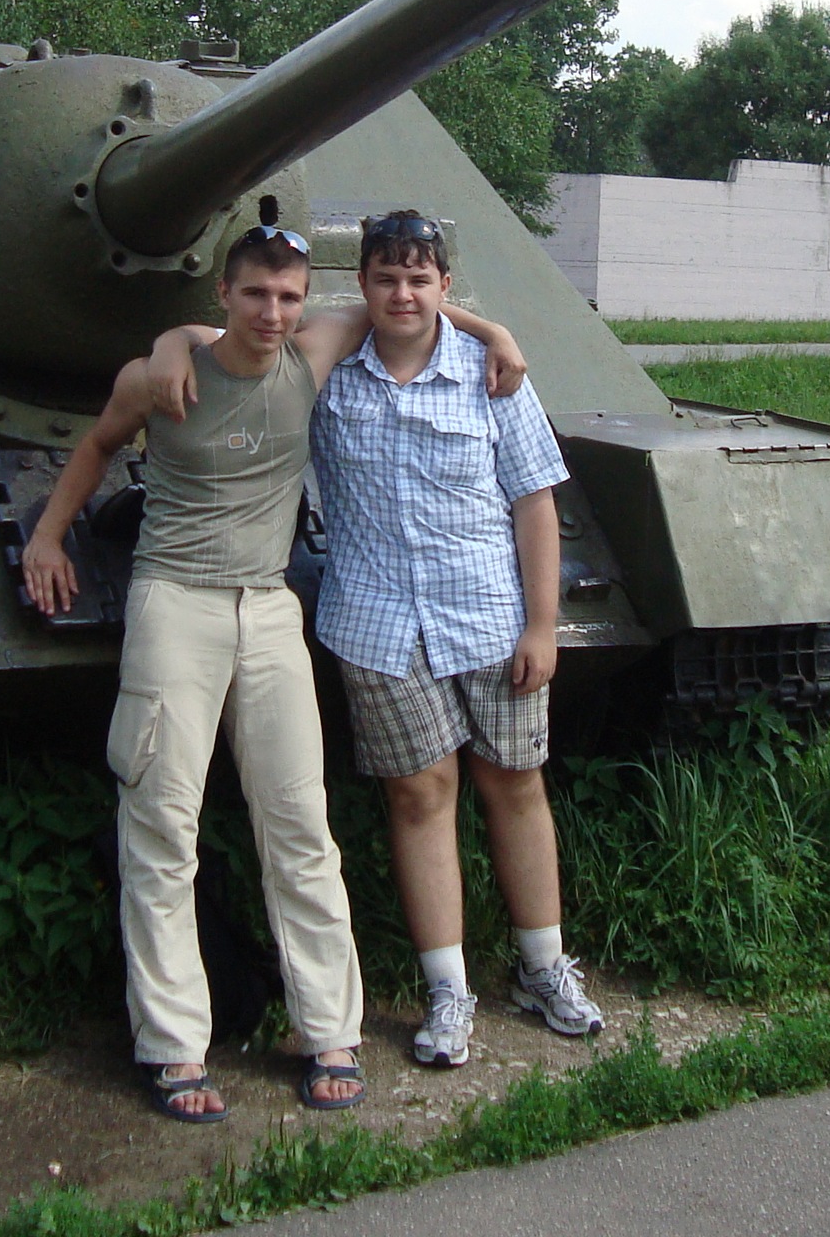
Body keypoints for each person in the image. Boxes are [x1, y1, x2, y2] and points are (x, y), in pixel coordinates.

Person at [25, 222, 526, 1123]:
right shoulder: (160, 375)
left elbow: (409, 305)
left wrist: (497, 334)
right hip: (175, 602)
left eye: (289, 296)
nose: (273, 312)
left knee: (300, 823)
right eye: (255, 293)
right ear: (223, 294)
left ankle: (329, 1030)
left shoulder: (314, 350)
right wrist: (48, 536)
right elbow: (98, 445)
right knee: (162, 825)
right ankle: (174, 1046)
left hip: (267, 608)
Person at [304, 211, 603, 1068]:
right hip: (377, 626)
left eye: (420, 279)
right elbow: (246, 339)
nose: (403, 294)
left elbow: (534, 501)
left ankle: (543, 969)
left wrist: (542, 625)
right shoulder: (331, 374)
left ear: (444, 285)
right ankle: (448, 990)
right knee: (419, 796)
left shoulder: (491, 375)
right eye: (385, 278)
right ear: (362, 284)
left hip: (490, 619)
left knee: (515, 783)